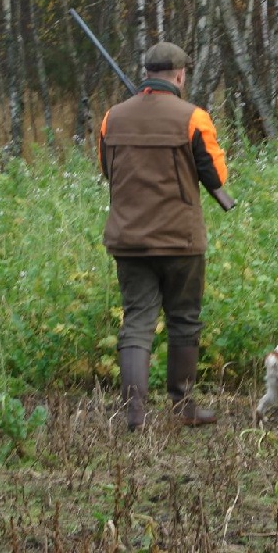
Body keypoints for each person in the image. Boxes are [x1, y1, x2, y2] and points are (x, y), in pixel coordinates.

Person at [98, 42, 228, 430]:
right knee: (184, 320)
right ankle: (183, 407)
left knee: (137, 321)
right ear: (180, 75)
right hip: (181, 240)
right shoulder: (194, 118)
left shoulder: (112, 117)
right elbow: (217, 177)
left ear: (147, 73)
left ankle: (133, 413)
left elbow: (109, 170)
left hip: (129, 239)